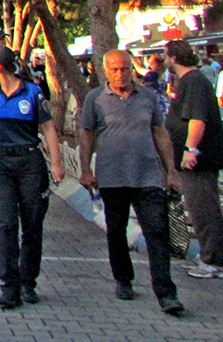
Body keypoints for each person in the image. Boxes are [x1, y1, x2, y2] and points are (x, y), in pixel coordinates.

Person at [77, 50, 184, 315]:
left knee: (157, 234)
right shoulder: (96, 99)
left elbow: (160, 133)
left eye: (124, 69)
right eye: (114, 70)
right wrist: (85, 169)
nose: (120, 74)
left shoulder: (147, 96)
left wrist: (171, 171)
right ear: (105, 71)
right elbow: (87, 135)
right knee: (116, 231)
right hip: (112, 177)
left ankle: (166, 293)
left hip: (147, 176)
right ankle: (123, 279)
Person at [0, 45, 65, 309]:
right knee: (4, 224)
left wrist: (56, 163)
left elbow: (48, 128)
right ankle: (9, 286)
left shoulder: (32, 93)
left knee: (32, 225)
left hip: (29, 161)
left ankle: (28, 282)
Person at [163, 39, 223, 279]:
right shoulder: (187, 82)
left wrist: (191, 149)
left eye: (165, 54)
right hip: (192, 158)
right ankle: (207, 254)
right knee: (197, 207)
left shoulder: (193, 82)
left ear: (173, 57)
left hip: (200, 160)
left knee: (204, 208)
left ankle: (214, 260)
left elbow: (198, 119)